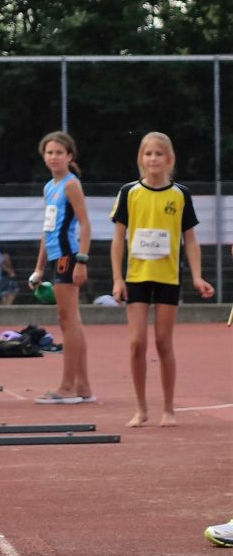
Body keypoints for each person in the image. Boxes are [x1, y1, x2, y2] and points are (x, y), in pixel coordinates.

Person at [110, 131, 214, 428]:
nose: (153, 159)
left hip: (168, 276)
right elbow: (118, 239)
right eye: (148, 154)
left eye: (159, 154)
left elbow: (190, 239)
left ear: (169, 159)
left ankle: (168, 408)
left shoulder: (180, 195)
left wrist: (197, 276)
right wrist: (117, 278)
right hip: (137, 276)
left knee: (163, 341)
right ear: (140, 158)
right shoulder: (129, 192)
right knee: (136, 343)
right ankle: (141, 408)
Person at [28, 130, 94, 405]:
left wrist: (82, 260)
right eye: (49, 152)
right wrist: (39, 267)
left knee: (67, 320)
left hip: (68, 255)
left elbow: (85, 224)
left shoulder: (71, 185)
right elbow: (48, 229)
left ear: (69, 156)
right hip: (55, 256)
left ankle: (68, 386)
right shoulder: (49, 187)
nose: (53, 157)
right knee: (71, 320)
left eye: (59, 152)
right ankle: (83, 386)